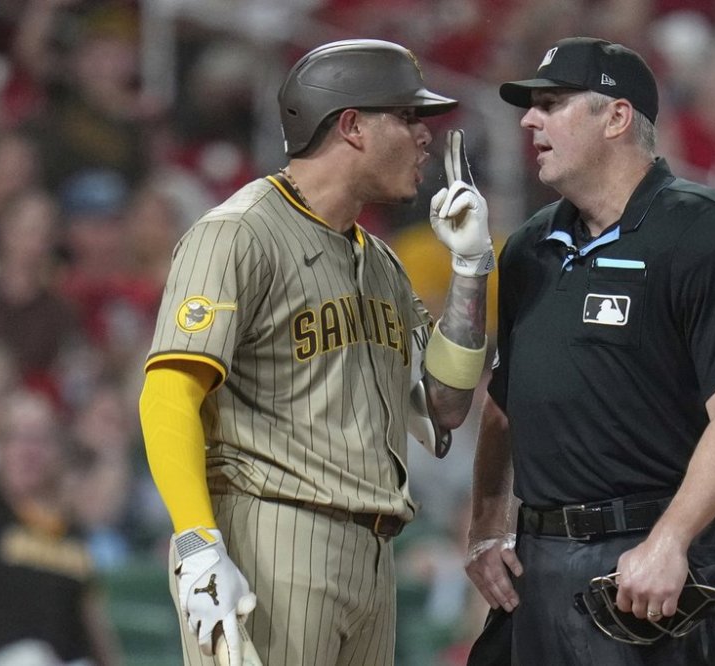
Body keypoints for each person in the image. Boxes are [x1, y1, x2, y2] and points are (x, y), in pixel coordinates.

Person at [138, 38, 494, 666]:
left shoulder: (381, 261)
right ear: (351, 125)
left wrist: (469, 269)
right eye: (408, 117)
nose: (425, 137)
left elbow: (441, 409)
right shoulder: (239, 232)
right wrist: (196, 540)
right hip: (273, 534)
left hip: (373, 550)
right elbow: (169, 391)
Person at [465, 37, 715, 664]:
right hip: (542, 566)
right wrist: (485, 528)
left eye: (552, 103)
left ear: (615, 117)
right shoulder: (529, 247)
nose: (529, 120)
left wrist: (670, 540)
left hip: (660, 563)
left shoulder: (704, 229)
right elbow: (505, 403)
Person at [0, 390, 121, 665]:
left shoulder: (73, 534)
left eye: (40, 439)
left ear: (58, 449)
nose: (28, 450)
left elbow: (96, 627)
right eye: (15, 437)